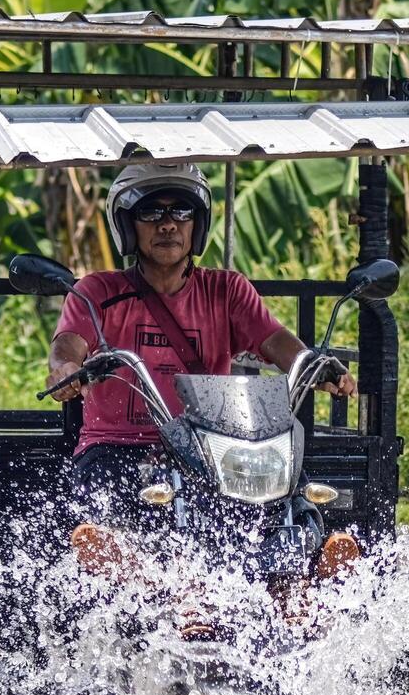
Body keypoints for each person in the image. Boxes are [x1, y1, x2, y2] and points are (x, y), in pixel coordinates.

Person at [46, 163, 356, 525]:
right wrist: (65, 370)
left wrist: (313, 365)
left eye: (181, 211)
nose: (168, 223)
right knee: (104, 502)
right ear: (127, 224)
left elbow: (275, 340)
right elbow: (68, 344)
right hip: (119, 444)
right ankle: (111, 555)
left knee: (282, 486)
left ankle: (313, 552)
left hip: (213, 447)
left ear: (198, 224)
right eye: (150, 211)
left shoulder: (226, 290)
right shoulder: (99, 291)